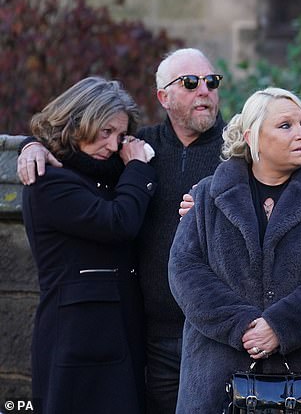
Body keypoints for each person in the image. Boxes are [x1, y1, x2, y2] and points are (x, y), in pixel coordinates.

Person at [16, 48, 227, 414]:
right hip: (150, 337)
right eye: (191, 83)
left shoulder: (238, 149)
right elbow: (75, 160)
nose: (204, 90)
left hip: (217, 333)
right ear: (164, 97)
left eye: (211, 81)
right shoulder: (138, 151)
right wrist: (30, 145)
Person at [168, 87, 301, 413]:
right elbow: (184, 269)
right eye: (285, 126)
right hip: (217, 377)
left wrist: (281, 326)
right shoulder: (207, 195)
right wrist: (243, 325)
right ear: (252, 136)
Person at [22, 77, 156, 413]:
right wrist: (138, 168)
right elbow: (118, 222)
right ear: (77, 121)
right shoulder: (49, 180)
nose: (113, 145)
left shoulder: (107, 174)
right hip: (76, 344)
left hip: (123, 339)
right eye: (105, 132)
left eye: (120, 136)